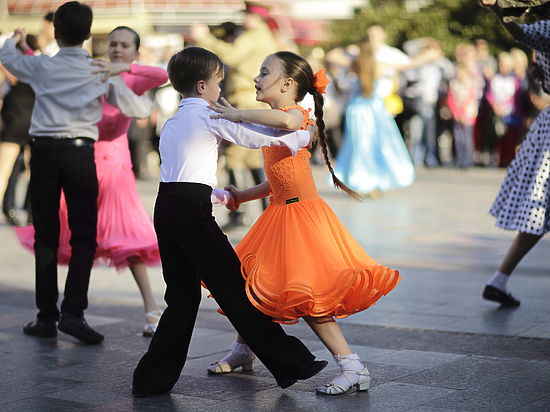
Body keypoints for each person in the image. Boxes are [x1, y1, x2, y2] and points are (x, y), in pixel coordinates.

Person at [131, 46, 327, 397]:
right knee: (234, 287)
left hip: (168, 206)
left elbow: (186, 172)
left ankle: (151, 379)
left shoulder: (175, 118)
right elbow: (254, 137)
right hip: (191, 212)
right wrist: (300, 137)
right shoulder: (209, 114)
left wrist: (220, 193)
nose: (222, 92)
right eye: (220, 83)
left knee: (180, 296)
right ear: (204, 85)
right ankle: (292, 362)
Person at [207, 50, 401, 395]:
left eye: (264, 72)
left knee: (310, 298)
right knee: (251, 283)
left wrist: (235, 114)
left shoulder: (298, 116)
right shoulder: (274, 121)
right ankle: (243, 350)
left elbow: (289, 124)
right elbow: (277, 181)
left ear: (287, 84)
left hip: (300, 219)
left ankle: (352, 365)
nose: (256, 78)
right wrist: (239, 196)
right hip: (280, 214)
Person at [0, 1, 154, 344]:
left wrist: (16, 39)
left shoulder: (41, 66)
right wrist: (120, 72)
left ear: (56, 32)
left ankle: (45, 317)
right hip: (80, 155)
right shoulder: (98, 70)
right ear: (88, 35)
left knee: (46, 236)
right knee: (84, 236)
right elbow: (139, 108)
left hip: (43, 154)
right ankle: (73, 313)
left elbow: (9, 58)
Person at [478, 0, 550, 306]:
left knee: (541, 212)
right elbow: (518, 32)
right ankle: (499, 279)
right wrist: (497, 11)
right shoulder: (547, 29)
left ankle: (500, 279)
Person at [191, 1, 279, 229]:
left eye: (247, 14)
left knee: (234, 158)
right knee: (251, 159)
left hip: (245, 101)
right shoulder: (264, 35)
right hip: (252, 103)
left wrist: (204, 38)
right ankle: (268, 210)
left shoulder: (252, 35)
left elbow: (230, 55)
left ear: (256, 16)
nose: (244, 19)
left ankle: (239, 212)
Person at [333, 35, 415, 195]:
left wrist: (348, 48)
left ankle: (363, 181)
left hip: (358, 109)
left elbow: (332, 56)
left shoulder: (354, 64)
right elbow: (408, 65)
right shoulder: (379, 65)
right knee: (375, 145)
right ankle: (372, 181)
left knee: (359, 145)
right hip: (374, 108)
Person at [0, 34, 36, 226]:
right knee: (34, 172)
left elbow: (3, 58)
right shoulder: (38, 69)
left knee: (3, 173)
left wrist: (13, 39)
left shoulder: (14, 73)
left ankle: (17, 209)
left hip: (14, 125)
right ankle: (30, 212)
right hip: (34, 126)